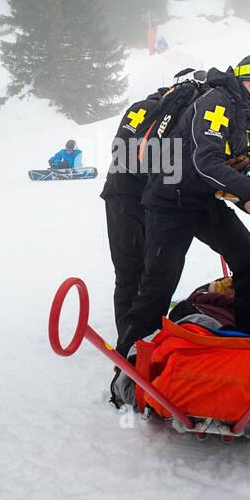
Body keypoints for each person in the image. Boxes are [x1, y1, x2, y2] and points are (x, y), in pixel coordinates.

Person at [114, 55, 250, 360]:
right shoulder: (217, 102)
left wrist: (248, 199)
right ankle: (130, 360)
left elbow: (225, 171)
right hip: (170, 203)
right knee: (159, 283)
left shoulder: (241, 114)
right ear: (245, 79)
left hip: (202, 201)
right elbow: (206, 162)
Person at [101, 84, 170, 346]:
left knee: (144, 268)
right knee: (131, 269)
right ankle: (128, 344)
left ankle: (141, 336)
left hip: (139, 196)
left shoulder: (157, 109)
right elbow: (123, 150)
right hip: (127, 195)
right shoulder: (154, 109)